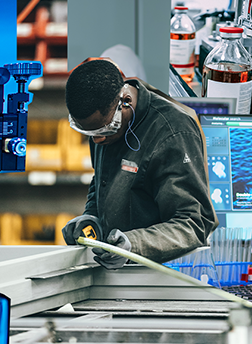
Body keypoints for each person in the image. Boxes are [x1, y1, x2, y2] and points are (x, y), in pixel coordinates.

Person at [61, 59, 217, 269]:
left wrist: (134, 245)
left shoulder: (172, 133)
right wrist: (92, 217)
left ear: (124, 102)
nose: (97, 141)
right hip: (117, 270)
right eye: (91, 134)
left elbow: (193, 224)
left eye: (104, 131)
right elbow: (102, 179)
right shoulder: (103, 125)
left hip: (162, 275)